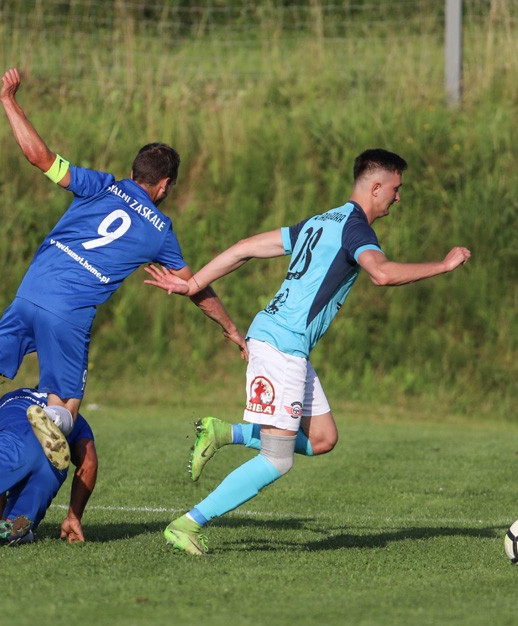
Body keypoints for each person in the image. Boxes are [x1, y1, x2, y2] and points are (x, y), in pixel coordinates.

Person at [0, 68, 245, 470]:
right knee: (67, 405)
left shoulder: (100, 185)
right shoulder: (160, 230)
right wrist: (230, 328)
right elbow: (196, 288)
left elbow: (38, 157)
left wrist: (8, 100)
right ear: (164, 185)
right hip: (69, 312)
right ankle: (48, 417)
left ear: (132, 173)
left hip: (31, 292)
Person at [144, 148, 472, 555]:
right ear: (376, 187)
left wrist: (193, 285)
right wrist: (442, 266)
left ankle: (225, 432)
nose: (397, 197)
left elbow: (244, 247)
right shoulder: (355, 229)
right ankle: (188, 524)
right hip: (281, 346)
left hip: (284, 343)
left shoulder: (321, 221)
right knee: (277, 460)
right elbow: (382, 273)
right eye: (395, 189)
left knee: (323, 438)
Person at [0, 386, 98, 547]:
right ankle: (18, 532)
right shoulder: (74, 419)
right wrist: (74, 517)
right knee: (17, 526)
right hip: (52, 467)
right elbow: (89, 463)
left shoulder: (14, 396)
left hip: (16, 440)